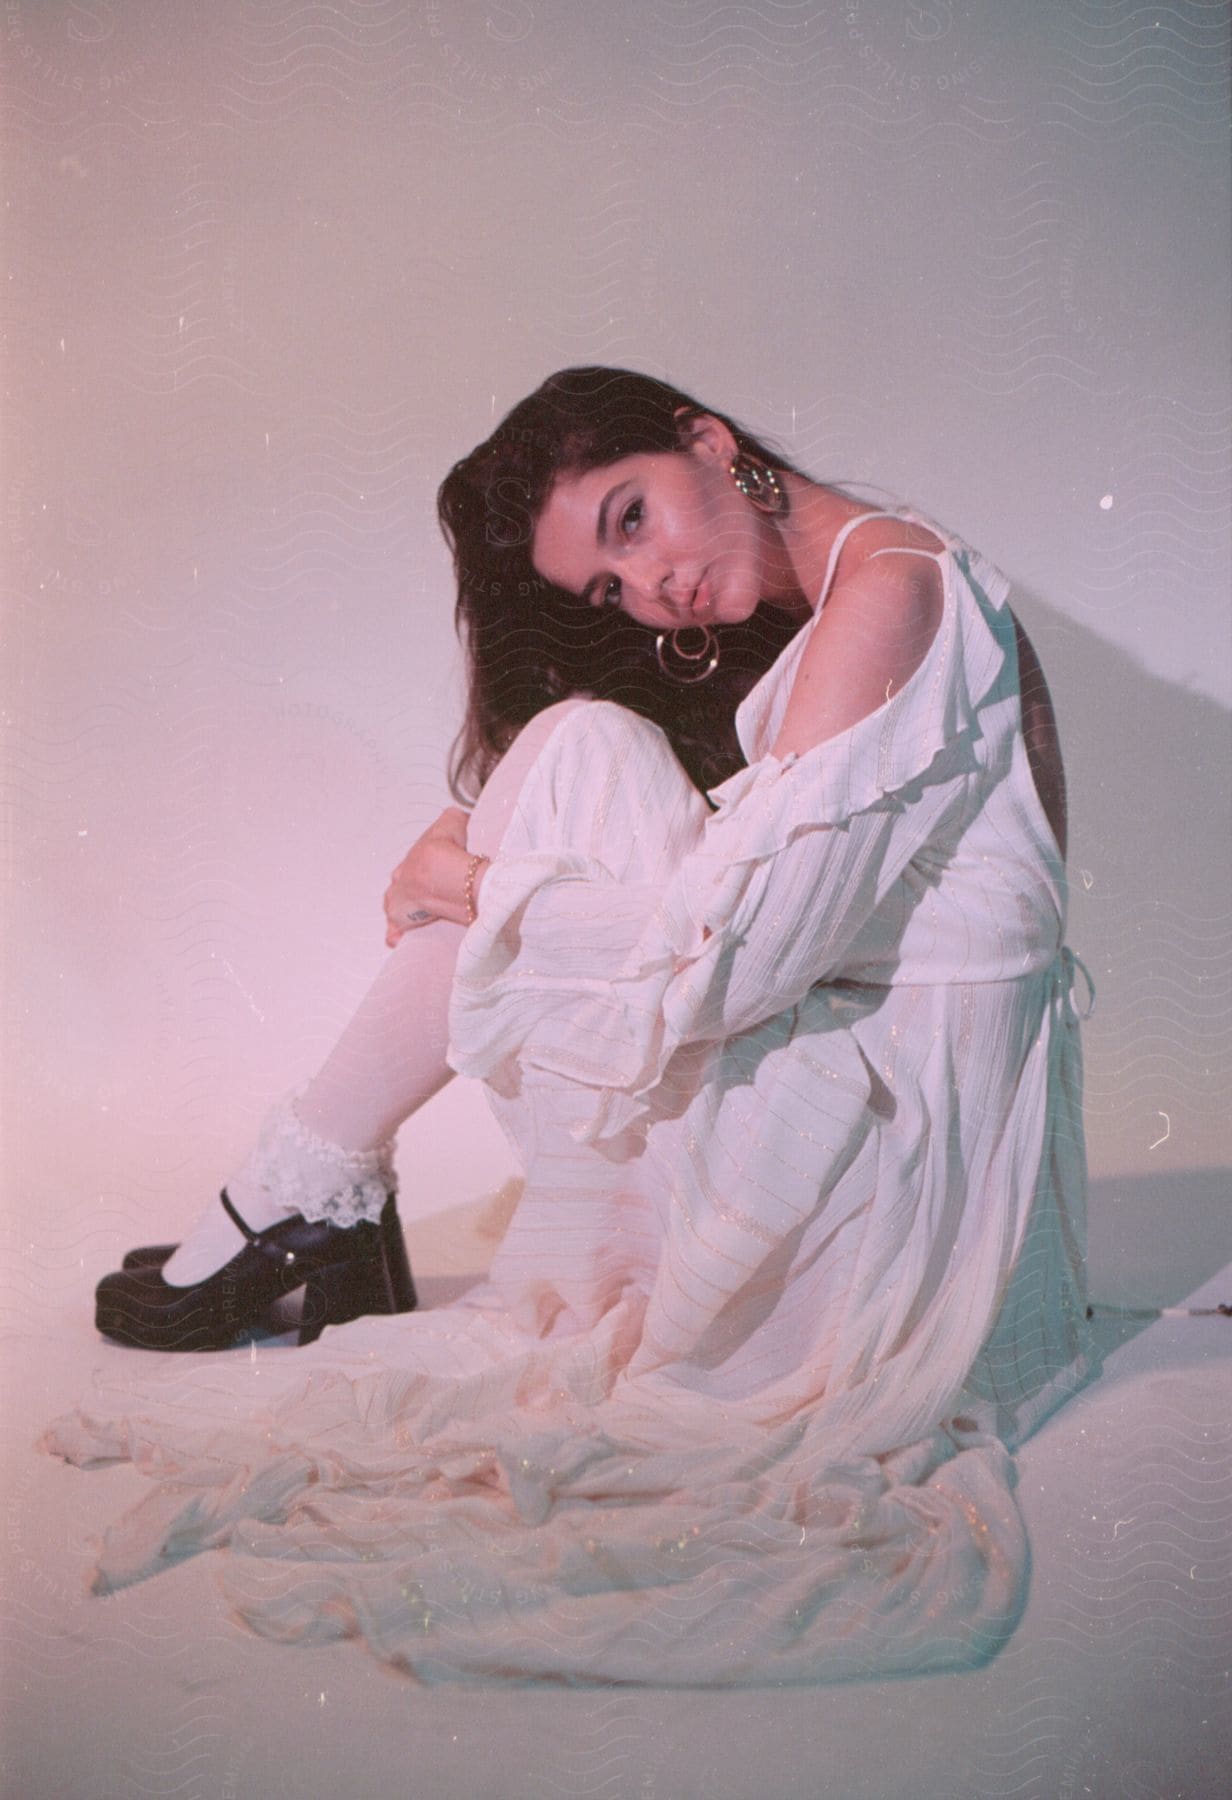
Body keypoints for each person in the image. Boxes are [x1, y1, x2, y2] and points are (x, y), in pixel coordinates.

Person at [45, 366, 1096, 1686]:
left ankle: (300, 1198)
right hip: (879, 1087)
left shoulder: (883, 594)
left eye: (633, 519)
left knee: (575, 760)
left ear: (708, 443)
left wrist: (471, 887)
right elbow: (767, 899)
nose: (649, 587)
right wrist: (477, 870)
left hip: (894, 1160)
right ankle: (312, 1195)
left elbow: (743, 961)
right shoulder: (861, 579)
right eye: (610, 583)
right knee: (577, 745)